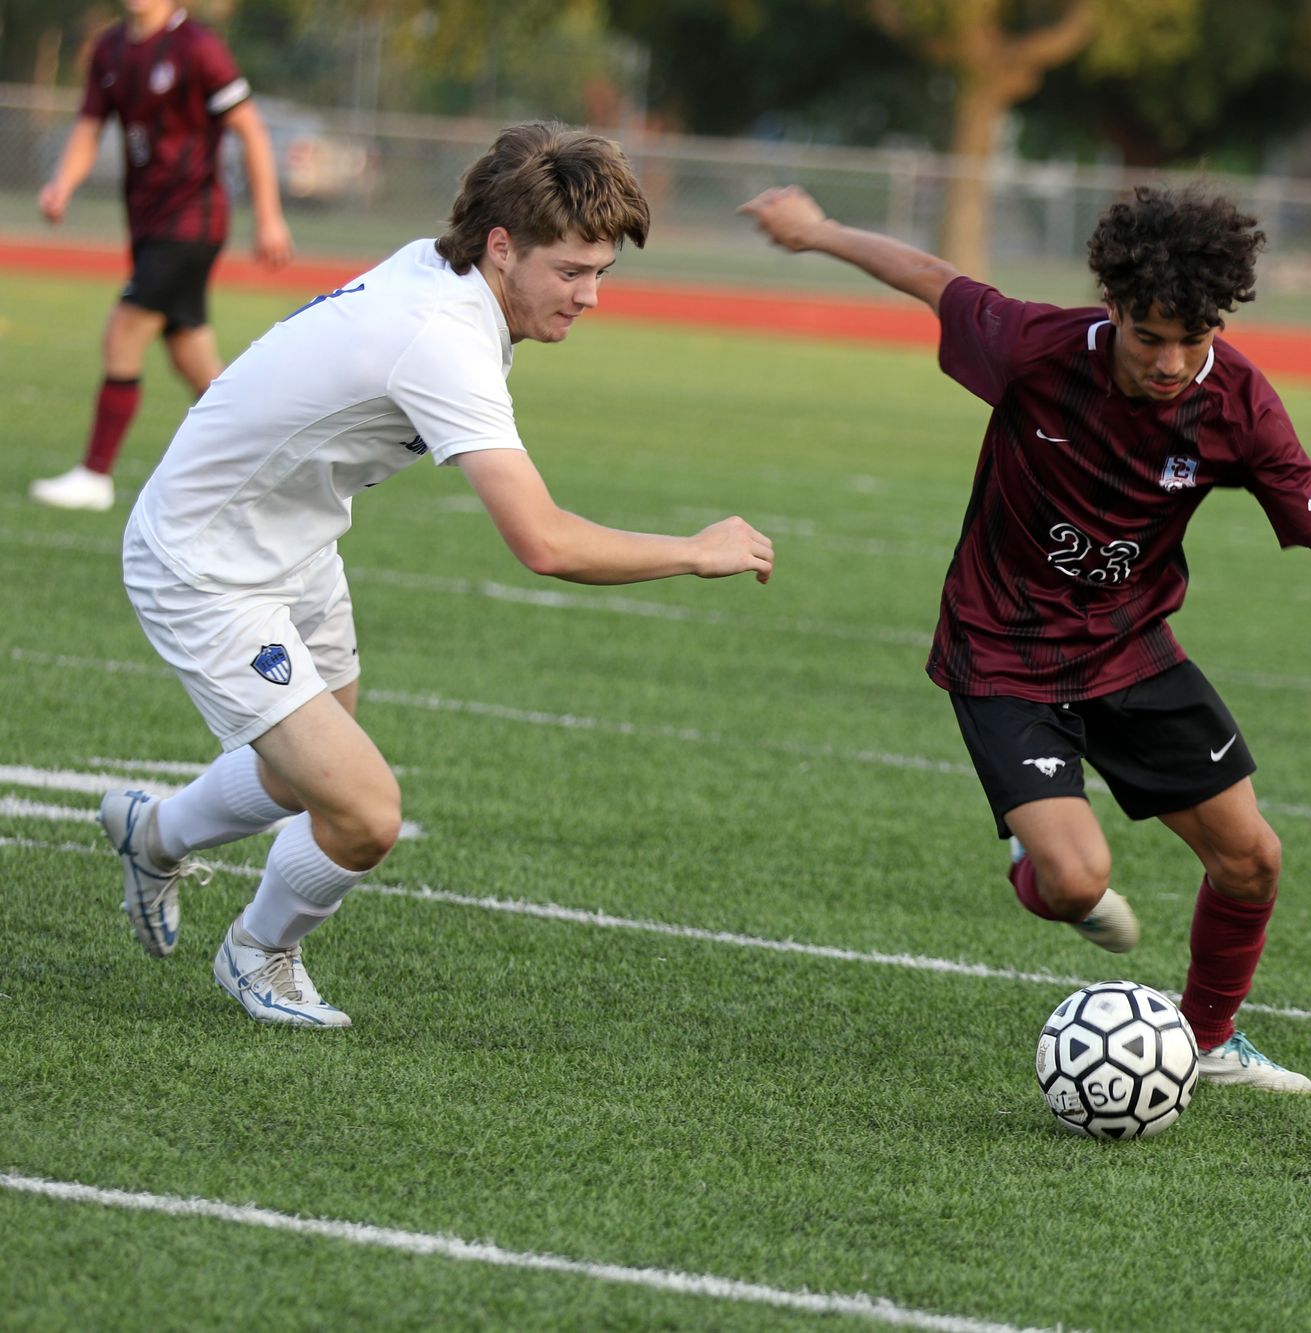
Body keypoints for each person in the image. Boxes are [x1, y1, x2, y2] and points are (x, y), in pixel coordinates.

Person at [741, 182, 1311, 1094]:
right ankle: (1033, 860)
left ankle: (1206, 1039)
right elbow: (931, 277)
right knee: (1079, 883)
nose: (1170, 362)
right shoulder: (1035, 347)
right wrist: (818, 230)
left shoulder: (1238, 404)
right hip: (1001, 647)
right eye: (1149, 336)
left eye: (1192, 342)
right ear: (1113, 307)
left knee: (1252, 860)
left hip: (1129, 645)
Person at [102, 124, 775, 1027]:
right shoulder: (443, 339)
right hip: (205, 563)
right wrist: (696, 550)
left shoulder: (449, 271)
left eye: (602, 272)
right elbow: (545, 542)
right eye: (572, 271)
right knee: (365, 813)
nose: (592, 296)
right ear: (502, 246)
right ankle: (259, 952)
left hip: (289, 540)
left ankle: (152, 835)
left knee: (311, 769)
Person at [30, 0, 292, 513]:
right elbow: (89, 125)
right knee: (190, 354)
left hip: (192, 220)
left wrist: (268, 216)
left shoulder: (198, 48)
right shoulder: (108, 49)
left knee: (125, 328)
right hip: (148, 223)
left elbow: (251, 130)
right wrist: (62, 184)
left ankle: (94, 474)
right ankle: (262, 465)